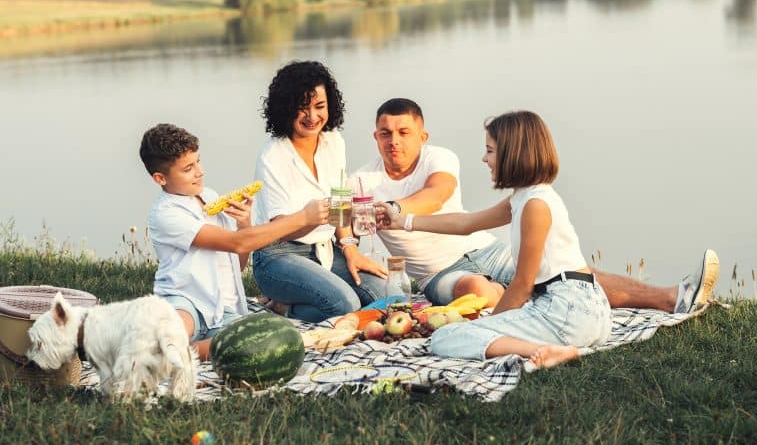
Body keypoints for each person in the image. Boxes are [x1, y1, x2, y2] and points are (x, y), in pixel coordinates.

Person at [355, 98, 720, 313]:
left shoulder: (440, 158)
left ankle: (673, 297)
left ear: (422, 135)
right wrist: (348, 237)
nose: (394, 141)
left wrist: (398, 211)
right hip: (438, 273)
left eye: (403, 133)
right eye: (385, 133)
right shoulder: (360, 181)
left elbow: (438, 195)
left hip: (482, 248)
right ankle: (520, 307)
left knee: (570, 273)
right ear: (375, 136)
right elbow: (342, 219)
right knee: (482, 292)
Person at [376, 110, 612, 367]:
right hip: (588, 314)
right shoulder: (527, 196)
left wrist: (489, 326)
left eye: (490, 151)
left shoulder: (535, 205)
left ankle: (547, 350)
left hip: (567, 313)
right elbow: (467, 223)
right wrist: (402, 220)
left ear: (511, 153)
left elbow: (522, 285)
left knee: (446, 337)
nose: (484, 159)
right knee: (471, 329)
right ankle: (553, 347)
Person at [140, 123, 329, 360]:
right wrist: (302, 217)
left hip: (223, 310)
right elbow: (237, 243)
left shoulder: (208, 196)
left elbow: (236, 262)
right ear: (160, 178)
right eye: (188, 168)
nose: (199, 171)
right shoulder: (166, 214)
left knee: (256, 347)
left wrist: (244, 224)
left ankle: (180, 354)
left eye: (198, 161)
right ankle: (165, 352)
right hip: (184, 300)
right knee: (176, 329)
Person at [250, 61, 392, 323]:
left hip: (325, 250)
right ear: (285, 108)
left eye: (319, 106)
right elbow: (279, 228)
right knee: (345, 304)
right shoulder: (273, 155)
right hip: (277, 255)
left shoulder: (334, 141)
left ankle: (324, 300)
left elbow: (339, 198)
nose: (312, 116)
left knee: (392, 296)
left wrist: (349, 248)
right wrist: (308, 218)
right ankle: (282, 307)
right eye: (302, 108)